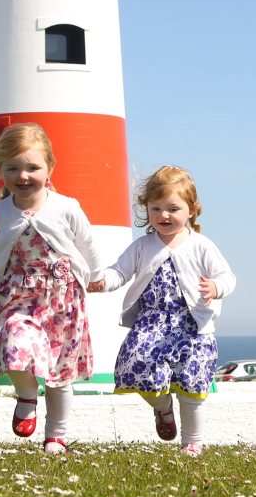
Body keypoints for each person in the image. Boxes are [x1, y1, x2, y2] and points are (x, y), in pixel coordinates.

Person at [0, 123, 103, 453]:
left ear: (49, 168)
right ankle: (27, 395)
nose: (24, 175)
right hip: (19, 296)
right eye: (13, 168)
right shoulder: (0, 210)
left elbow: (87, 244)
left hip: (62, 300)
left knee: (61, 375)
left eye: (33, 167)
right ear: (0, 170)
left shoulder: (66, 207)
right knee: (13, 343)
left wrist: (97, 275)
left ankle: (56, 435)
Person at [88, 165, 236, 457]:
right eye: (156, 208)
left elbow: (227, 277)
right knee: (137, 368)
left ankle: (192, 442)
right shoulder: (143, 246)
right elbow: (121, 271)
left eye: (173, 208)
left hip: (193, 327)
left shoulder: (201, 245)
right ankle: (163, 408)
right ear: (146, 210)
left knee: (192, 389)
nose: (164, 215)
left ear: (192, 210)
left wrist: (216, 288)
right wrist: (103, 281)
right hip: (151, 324)